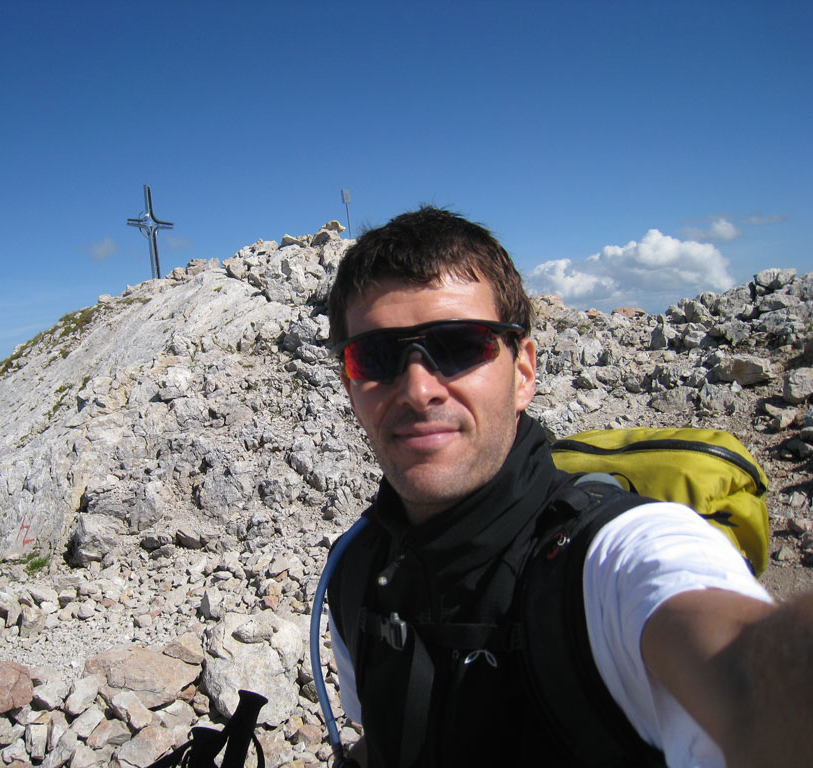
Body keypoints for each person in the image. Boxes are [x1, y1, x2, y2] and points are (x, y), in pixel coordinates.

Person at [323, 206, 813, 767]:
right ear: (350, 382)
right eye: (376, 356)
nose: (418, 388)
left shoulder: (610, 558)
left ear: (523, 372)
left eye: (459, 345)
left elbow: (742, 673)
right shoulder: (357, 569)